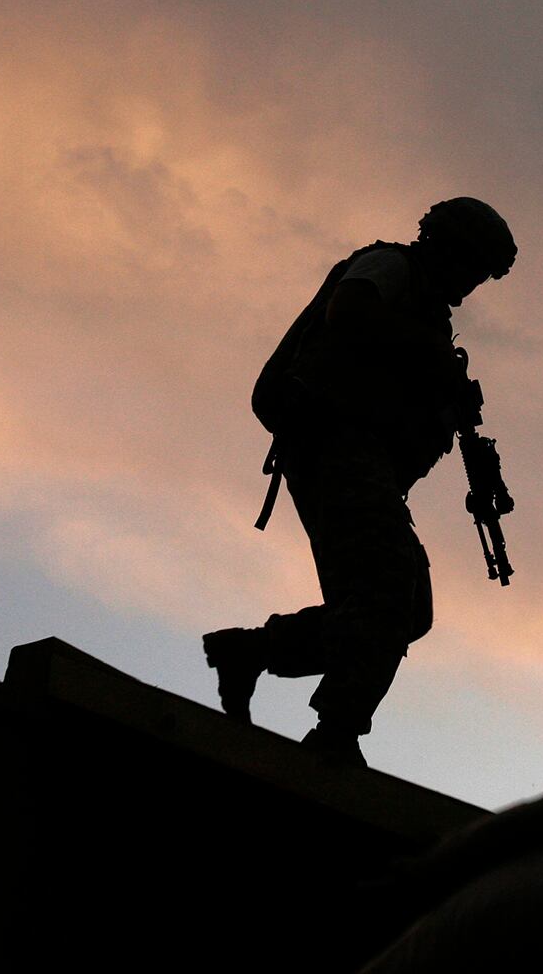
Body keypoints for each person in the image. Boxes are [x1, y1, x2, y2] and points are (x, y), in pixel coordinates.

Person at [204, 198, 517, 768]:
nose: (472, 286)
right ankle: (336, 734)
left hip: (361, 460)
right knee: (390, 591)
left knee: (406, 609)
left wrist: (448, 399)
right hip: (333, 440)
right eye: (473, 268)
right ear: (449, 247)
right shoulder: (390, 268)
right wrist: (434, 362)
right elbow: (349, 312)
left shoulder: (427, 317)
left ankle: (252, 651)